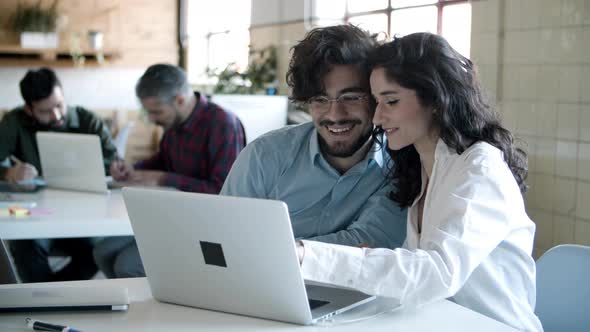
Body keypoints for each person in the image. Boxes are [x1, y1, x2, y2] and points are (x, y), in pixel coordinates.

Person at [296, 32, 543, 332]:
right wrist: (364, 257)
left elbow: (437, 272)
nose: (376, 117)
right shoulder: (422, 167)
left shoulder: (479, 168)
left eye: (391, 101)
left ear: (435, 99)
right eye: (375, 102)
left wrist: (309, 255)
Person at [221, 25, 406, 249]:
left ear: (376, 97)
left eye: (351, 97)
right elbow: (227, 235)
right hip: (260, 282)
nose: (335, 115)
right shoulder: (264, 156)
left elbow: (372, 242)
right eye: (320, 99)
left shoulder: (400, 164)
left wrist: (281, 253)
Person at [93, 63, 246, 278]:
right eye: (148, 112)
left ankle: (154, 306)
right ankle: (133, 304)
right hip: (172, 217)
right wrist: (132, 169)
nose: (153, 119)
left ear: (180, 100)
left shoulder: (222, 124)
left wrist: (164, 179)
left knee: (127, 265)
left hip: (206, 229)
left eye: (156, 111)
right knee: (103, 252)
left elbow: (222, 192)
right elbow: (163, 160)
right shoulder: (174, 124)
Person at [0, 67, 117, 282]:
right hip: (35, 210)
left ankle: (49, 295)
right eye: (45, 111)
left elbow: (114, 162)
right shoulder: (14, 122)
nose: (56, 115)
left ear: (63, 95)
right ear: (29, 109)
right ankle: (44, 299)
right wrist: (9, 172)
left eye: (59, 105)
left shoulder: (87, 120)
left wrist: (108, 168)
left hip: (83, 210)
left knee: (97, 249)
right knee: (26, 246)